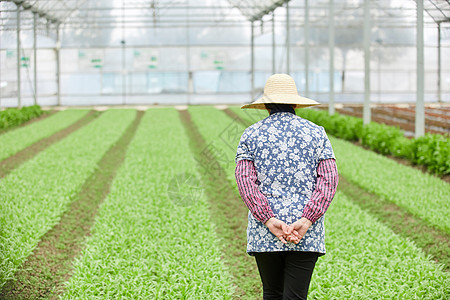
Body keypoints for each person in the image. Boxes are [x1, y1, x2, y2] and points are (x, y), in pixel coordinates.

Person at [235, 74, 339, 300]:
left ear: (266, 105)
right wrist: (307, 220)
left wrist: (269, 220)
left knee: (272, 293)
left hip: (266, 231)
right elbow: (329, 179)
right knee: (296, 296)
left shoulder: (251, 134)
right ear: (294, 103)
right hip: (305, 232)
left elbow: (245, 182)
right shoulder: (316, 133)